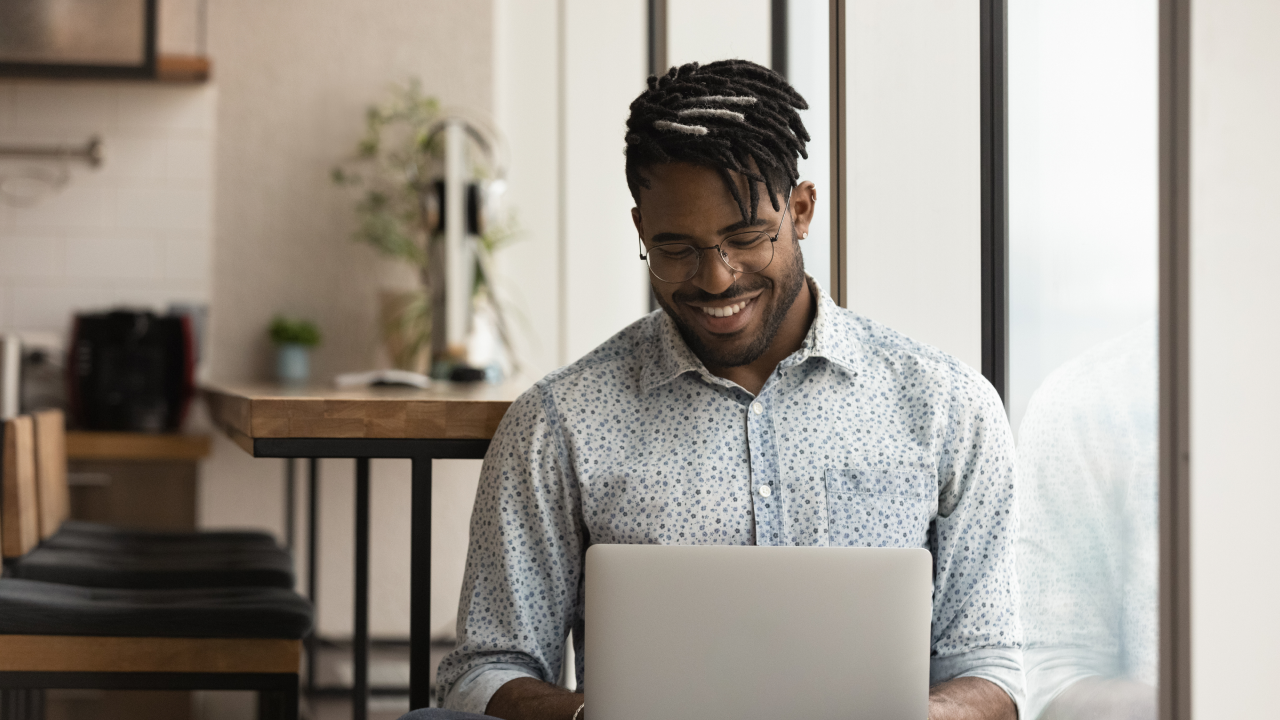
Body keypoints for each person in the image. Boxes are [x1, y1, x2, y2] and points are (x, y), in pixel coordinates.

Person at [403, 60, 1023, 720]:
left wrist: (926, 717)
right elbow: (483, 672)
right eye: (676, 249)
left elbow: (992, 669)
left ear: (801, 210)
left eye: (746, 237)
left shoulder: (947, 407)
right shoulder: (561, 422)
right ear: (641, 231)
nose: (717, 278)